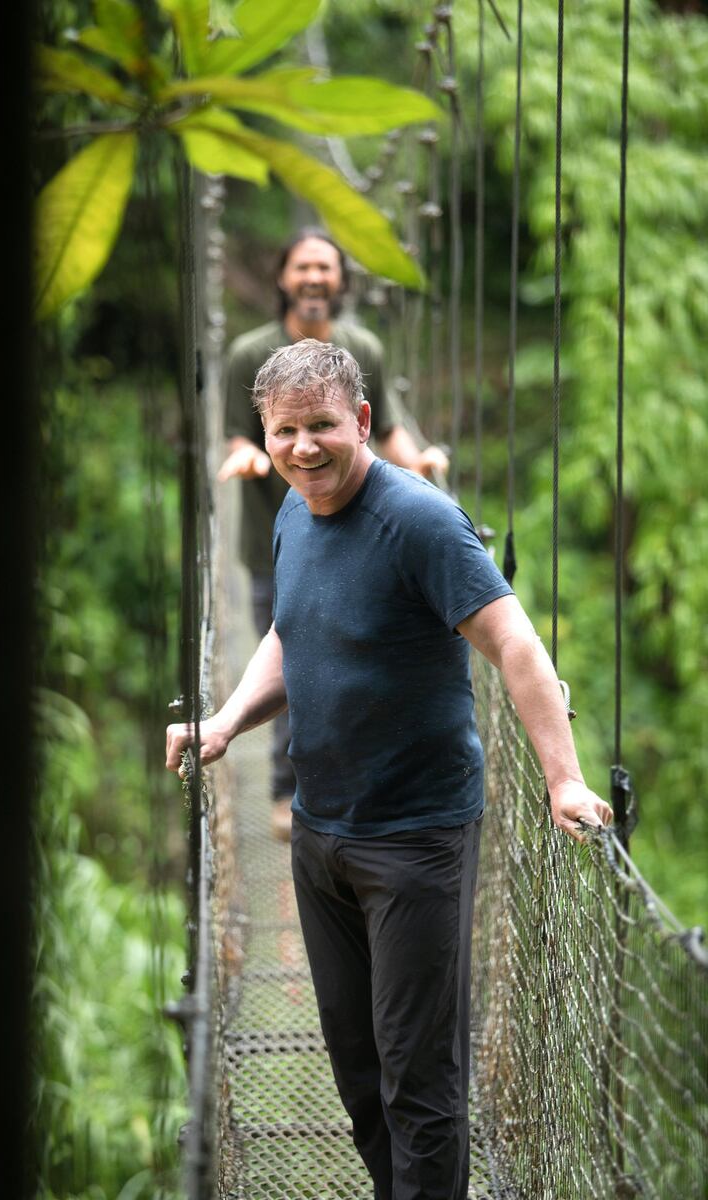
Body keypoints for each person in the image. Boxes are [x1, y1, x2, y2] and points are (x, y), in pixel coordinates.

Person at [168, 340, 613, 1200]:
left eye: (323, 426)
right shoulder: (293, 510)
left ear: (363, 421)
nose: (304, 448)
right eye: (286, 431)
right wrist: (226, 722)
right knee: (360, 1070)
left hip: (415, 841)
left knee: (420, 1078)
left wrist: (562, 778)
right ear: (265, 436)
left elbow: (514, 642)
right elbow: (291, 633)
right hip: (320, 835)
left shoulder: (419, 521)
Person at [219, 228, 449, 839]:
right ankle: (285, 789)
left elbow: (386, 431)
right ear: (283, 278)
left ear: (341, 280)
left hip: (359, 531)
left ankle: (355, 785)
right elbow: (240, 434)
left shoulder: (363, 349)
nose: (314, 277)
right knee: (291, 660)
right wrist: (244, 456)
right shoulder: (249, 354)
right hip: (274, 537)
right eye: (303, 267)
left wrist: (420, 466)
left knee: (354, 660)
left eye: (325, 267)